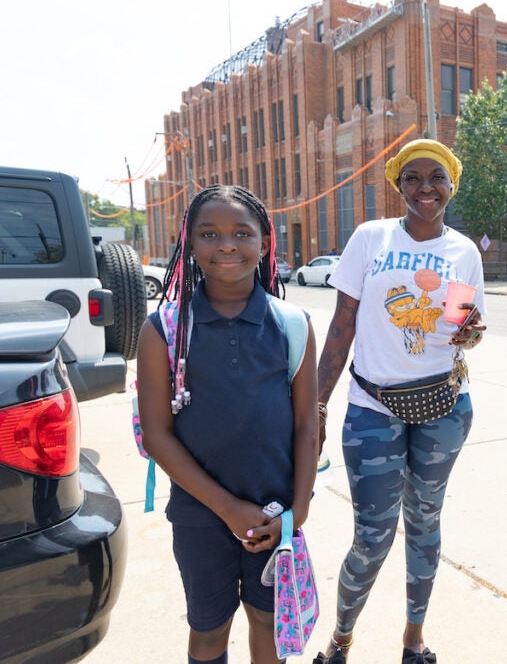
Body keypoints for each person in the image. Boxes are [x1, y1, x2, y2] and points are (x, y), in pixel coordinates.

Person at [313, 138, 487, 664]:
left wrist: (470, 334)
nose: (425, 187)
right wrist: (318, 406)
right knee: (371, 536)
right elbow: (342, 326)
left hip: (443, 408)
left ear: (451, 184)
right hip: (373, 407)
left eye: (436, 176)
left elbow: (464, 326)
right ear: (398, 186)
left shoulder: (464, 252)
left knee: (425, 524)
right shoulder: (371, 238)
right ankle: (341, 637)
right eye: (412, 178)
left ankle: (413, 637)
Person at [136, 185, 319, 664]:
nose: (226, 245)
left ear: (265, 241)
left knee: (267, 622)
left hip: (273, 513)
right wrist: (227, 507)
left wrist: (297, 510)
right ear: (190, 244)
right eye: (209, 234)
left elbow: (305, 424)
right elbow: (157, 435)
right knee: (209, 630)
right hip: (200, 517)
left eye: (242, 233)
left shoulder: (293, 323)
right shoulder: (164, 331)